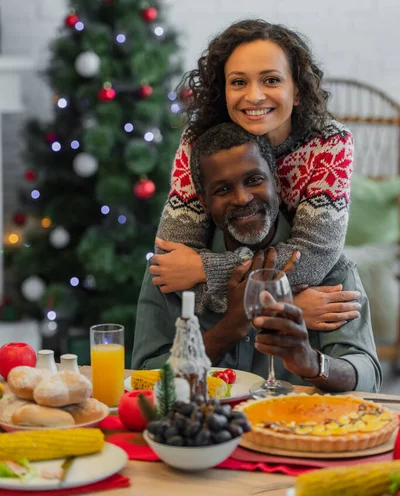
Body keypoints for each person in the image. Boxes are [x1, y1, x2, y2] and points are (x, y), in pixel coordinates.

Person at [132, 124, 381, 393]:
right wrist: (232, 325)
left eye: (254, 180)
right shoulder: (170, 270)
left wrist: (312, 363)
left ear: (275, 181)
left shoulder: (330, 268)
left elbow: (366, 375)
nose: (242, 198)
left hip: (296, 426)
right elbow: (144, 374)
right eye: (223, 189)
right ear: (203, 202)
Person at [151, 20, 354, 319]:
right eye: (238, 82)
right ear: (224, 91)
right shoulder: (199, 144)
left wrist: (205, 268)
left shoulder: (329, 144)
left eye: (271, 80)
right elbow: (172, 269)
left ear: (297, 91)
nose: (255, 96)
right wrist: (289, 306)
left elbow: (312, 261)